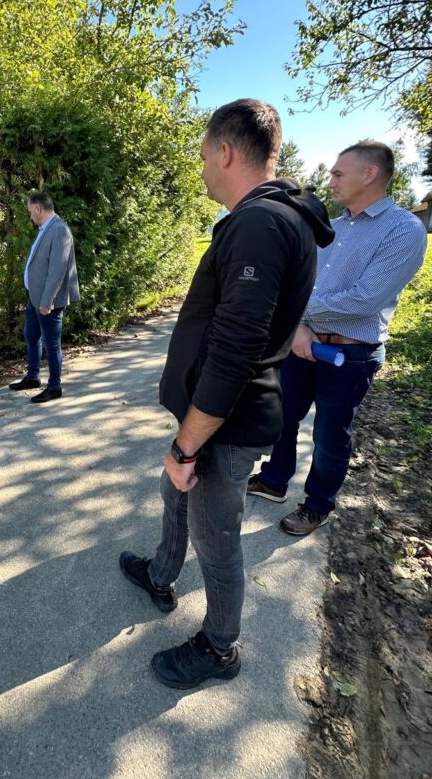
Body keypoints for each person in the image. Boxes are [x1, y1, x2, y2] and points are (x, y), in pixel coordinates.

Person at [119, 99, 335, 691]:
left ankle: (219, 647)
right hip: (216, 411)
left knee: (216, 538)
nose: (202, 169)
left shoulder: (260, 223)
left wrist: (187, 445)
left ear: (225, 151)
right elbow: (262, 318)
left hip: (227, 419)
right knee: (174, 489)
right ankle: (161, 573)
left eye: (203, 156)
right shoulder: (274, 219)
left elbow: (237, 348)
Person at [247, 140, 427, 535]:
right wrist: (298, 327)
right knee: (282, 416)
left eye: (338, 174)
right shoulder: (333, 225)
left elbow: (365, 300)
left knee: (330, 434)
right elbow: (302, 278)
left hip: (350, 355)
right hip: (302, 342)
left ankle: (317, 506)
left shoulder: (404, 230)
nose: (330, 182)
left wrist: (297, 313)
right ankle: (274, 480)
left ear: (370, 174)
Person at [9, 192, 80, 403]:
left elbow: (58, 269)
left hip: (48, 301)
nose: (30, 215)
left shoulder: (59, 230)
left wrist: (47, 300)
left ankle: (55, 387)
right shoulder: (45, 229)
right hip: (35, 297)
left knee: (52, 344)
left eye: (31, 211)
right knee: (31, 336)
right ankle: (33, 377)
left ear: (38, 209)